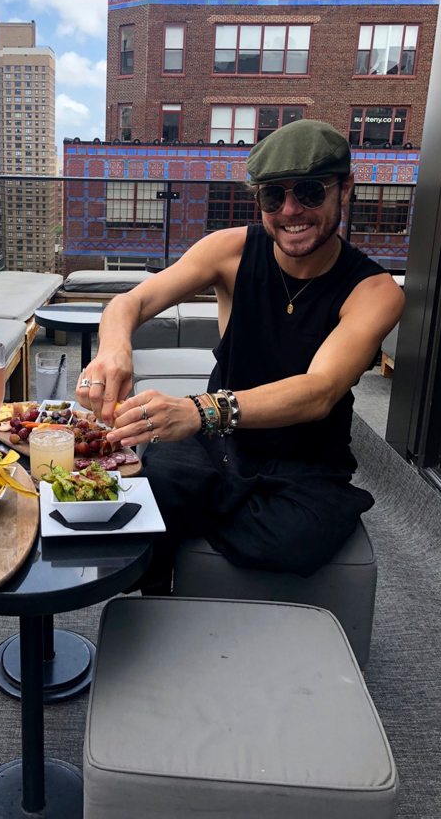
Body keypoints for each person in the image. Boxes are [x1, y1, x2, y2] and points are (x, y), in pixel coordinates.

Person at [76, 120, 405, 591]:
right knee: (155, 490)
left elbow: (318, 392)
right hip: (218, 447)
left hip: (305, 460)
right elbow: (132, 302)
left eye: (310, 193)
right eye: (274, 196)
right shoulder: (229, 250)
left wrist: (201, 411)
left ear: (345, 189)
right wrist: (113, 351)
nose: (291, 211)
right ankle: (158, 594)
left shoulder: (374, 291)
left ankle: (184, 525)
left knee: (289, 539)